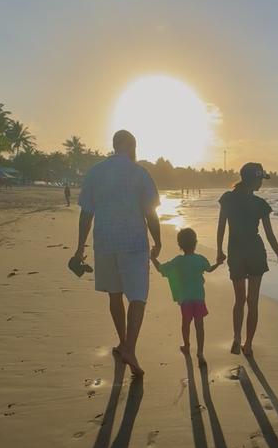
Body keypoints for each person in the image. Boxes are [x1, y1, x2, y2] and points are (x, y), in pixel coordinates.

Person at [73, 130, 161, 377]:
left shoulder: (95, 172)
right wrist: (158, 241)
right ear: (132, 146)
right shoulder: (139, 172)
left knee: (115, 294)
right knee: (138, 297)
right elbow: (150, 212)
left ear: (114, 146)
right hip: (133, 243)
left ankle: (123, 342)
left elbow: (86, 213)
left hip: (105, 242)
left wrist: (79, 248)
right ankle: (130, 348)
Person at [217, 162, 278, 356]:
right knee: (252, 301)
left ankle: (236, 337)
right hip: (255, 252)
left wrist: (219, 250)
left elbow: (221, 226)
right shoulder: (260, 204)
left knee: (239, 299)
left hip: (236, 252)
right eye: (260, 179)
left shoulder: (228, 198)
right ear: (254, 179)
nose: (261, 183)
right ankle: (248, 345)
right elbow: (269, 234)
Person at [152, 227, 221, 366]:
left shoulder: (178, 261)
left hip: (185, 299)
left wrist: (152, 258)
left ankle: (187, 346)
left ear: (179, 245)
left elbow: (161, 269)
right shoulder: (200, 259)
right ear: (195, 242)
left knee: (186, 323)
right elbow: (209, 269)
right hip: (199, 298)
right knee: (199, 325)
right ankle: (200, 352)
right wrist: (218, 263)